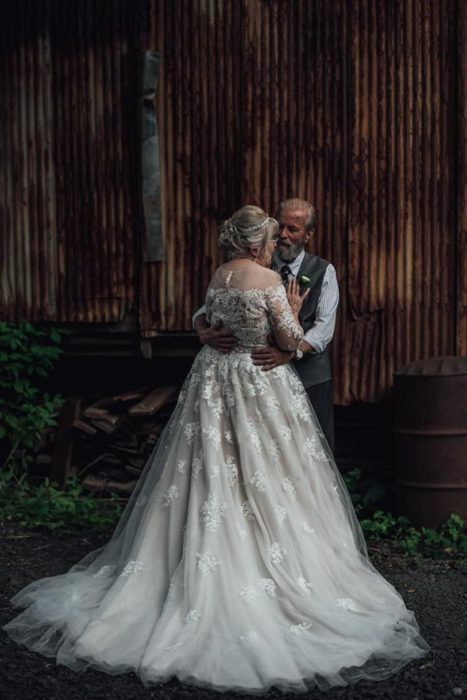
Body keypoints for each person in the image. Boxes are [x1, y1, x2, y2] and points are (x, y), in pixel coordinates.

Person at [3, 206, 428, 693]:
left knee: (208, 465)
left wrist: (208, 330)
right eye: (269, 238)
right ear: (256, 244)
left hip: (213, 376)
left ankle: (195, 549)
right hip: (257, 378)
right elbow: (286, 337)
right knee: (268, 467)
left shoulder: (220, 272)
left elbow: (208, 314)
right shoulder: (267, 277)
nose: (274, 244)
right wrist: (288, 304)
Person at [194, 198, 338, 451]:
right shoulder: (255, 265)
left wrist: (290, 352)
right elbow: (205, 310)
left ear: (309, 235)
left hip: (309, 377)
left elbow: (324, 328)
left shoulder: (324, 271)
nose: (282, 236)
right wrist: (203, 332)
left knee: (313, 449)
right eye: (279, 228)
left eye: (292, 229)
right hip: (260, 381)